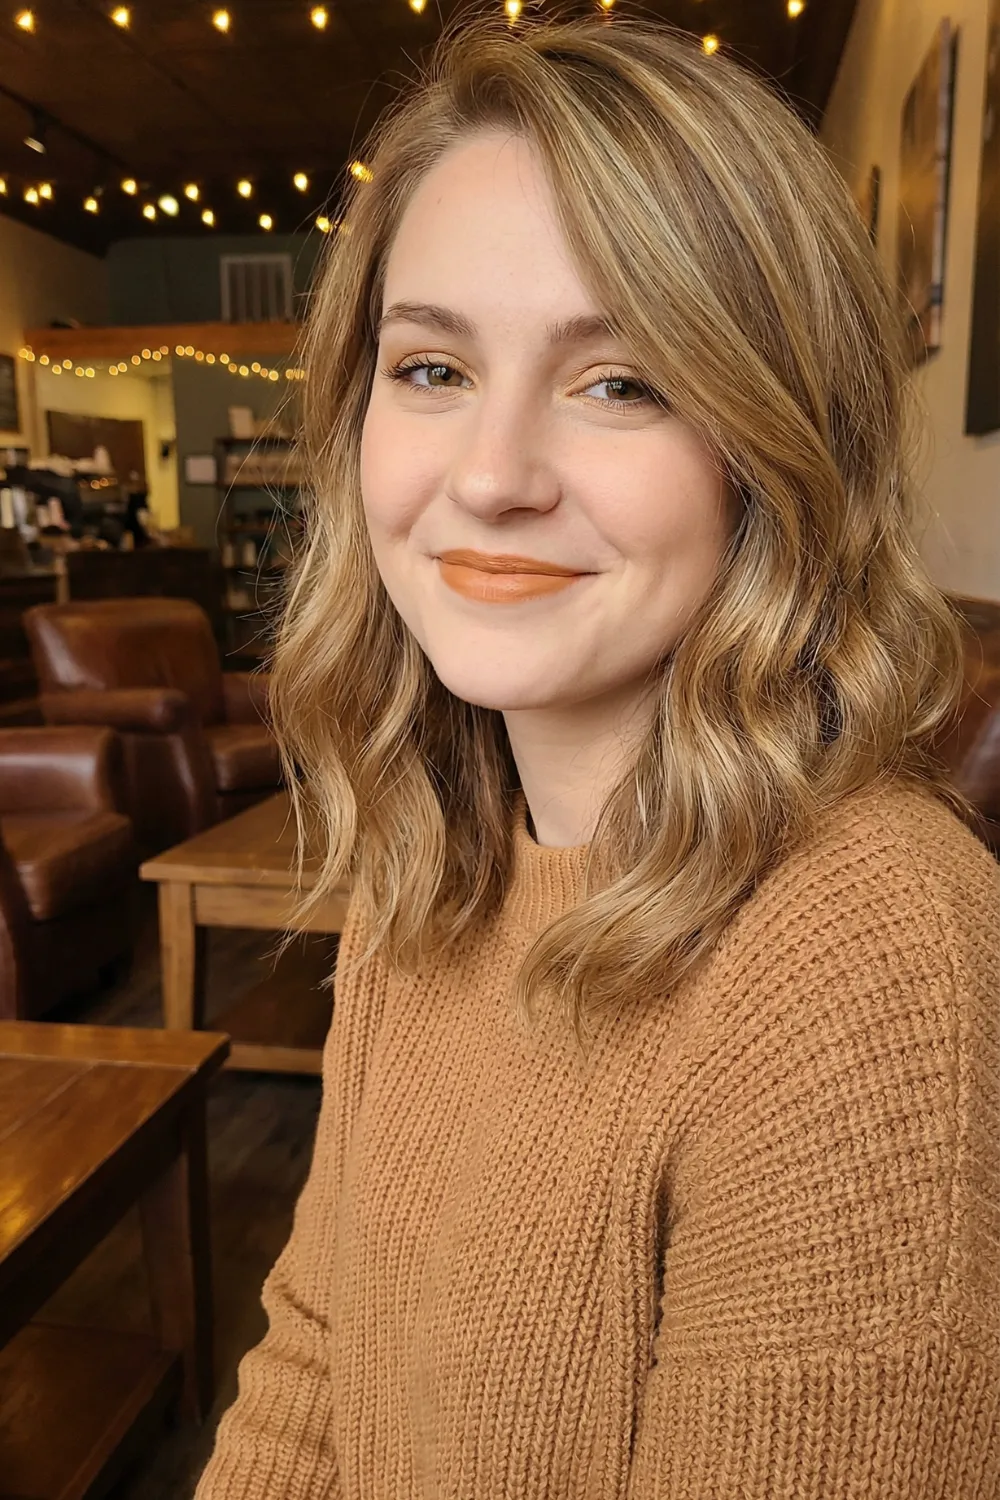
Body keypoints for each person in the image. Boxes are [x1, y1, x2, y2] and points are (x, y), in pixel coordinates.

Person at [195, 15, 1000, 1499]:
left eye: (620, 380)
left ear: (776, 445)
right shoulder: (441, 842)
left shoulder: (866, 957)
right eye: (430, 368)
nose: (491, 475)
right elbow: (316, 1360)